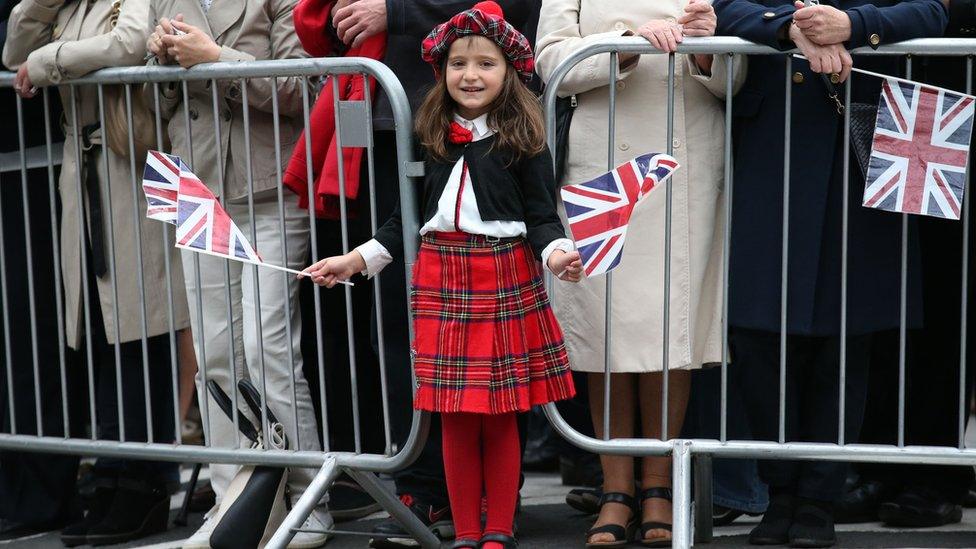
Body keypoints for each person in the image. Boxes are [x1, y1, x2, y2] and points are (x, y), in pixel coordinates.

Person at [302, 3, 580, 547]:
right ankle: (467, 532)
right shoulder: (429, 131)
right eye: (458, 64)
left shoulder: (524, 137)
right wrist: (354, 261)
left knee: (500, 416)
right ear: (441, 70)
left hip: (504, 277)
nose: (470, 75)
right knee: (452, 415)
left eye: (485, 64)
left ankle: (498, 528)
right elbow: (401, 221)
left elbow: (543, 216)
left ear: (510, 70)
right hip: (443, 278)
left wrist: (557, 256)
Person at [712, 0, 948, 546]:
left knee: (847, 339)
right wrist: (790, 29)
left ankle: (819, 496)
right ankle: (781, 491)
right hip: (768, 148)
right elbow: (724, 7)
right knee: (758, 332)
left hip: (867, 144)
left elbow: (933, 12)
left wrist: (855, 26)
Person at [535, 0, 742, 545]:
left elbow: (735, 76)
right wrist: (622, 46)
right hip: (601, 158)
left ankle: (659, 487)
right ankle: (614, 487)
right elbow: (549, 60)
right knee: (607, 329)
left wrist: (704, 51)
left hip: (686, 157)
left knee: (672, 328)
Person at [3, 0, 193, 543]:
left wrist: (48, 62)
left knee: (140, 322)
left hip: (129, 163)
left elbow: (128, 43)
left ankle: (144, 485)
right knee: (99, 331)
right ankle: (112, 477)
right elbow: (13, 49)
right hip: (79, 165)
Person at [145, 0, 332, 546]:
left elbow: (303, 90)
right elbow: (153, 102)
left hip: (272, 185)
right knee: (215, 352)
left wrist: (214, 58)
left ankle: (308, 500)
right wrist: (161, 62)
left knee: (268, 346)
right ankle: (233, 505)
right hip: (196, 188)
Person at [838, 0, 976, 528]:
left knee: (945, 296)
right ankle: (884, 463)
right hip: (910, 106)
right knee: (896, 287)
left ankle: (936, 472)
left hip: (948, 96)